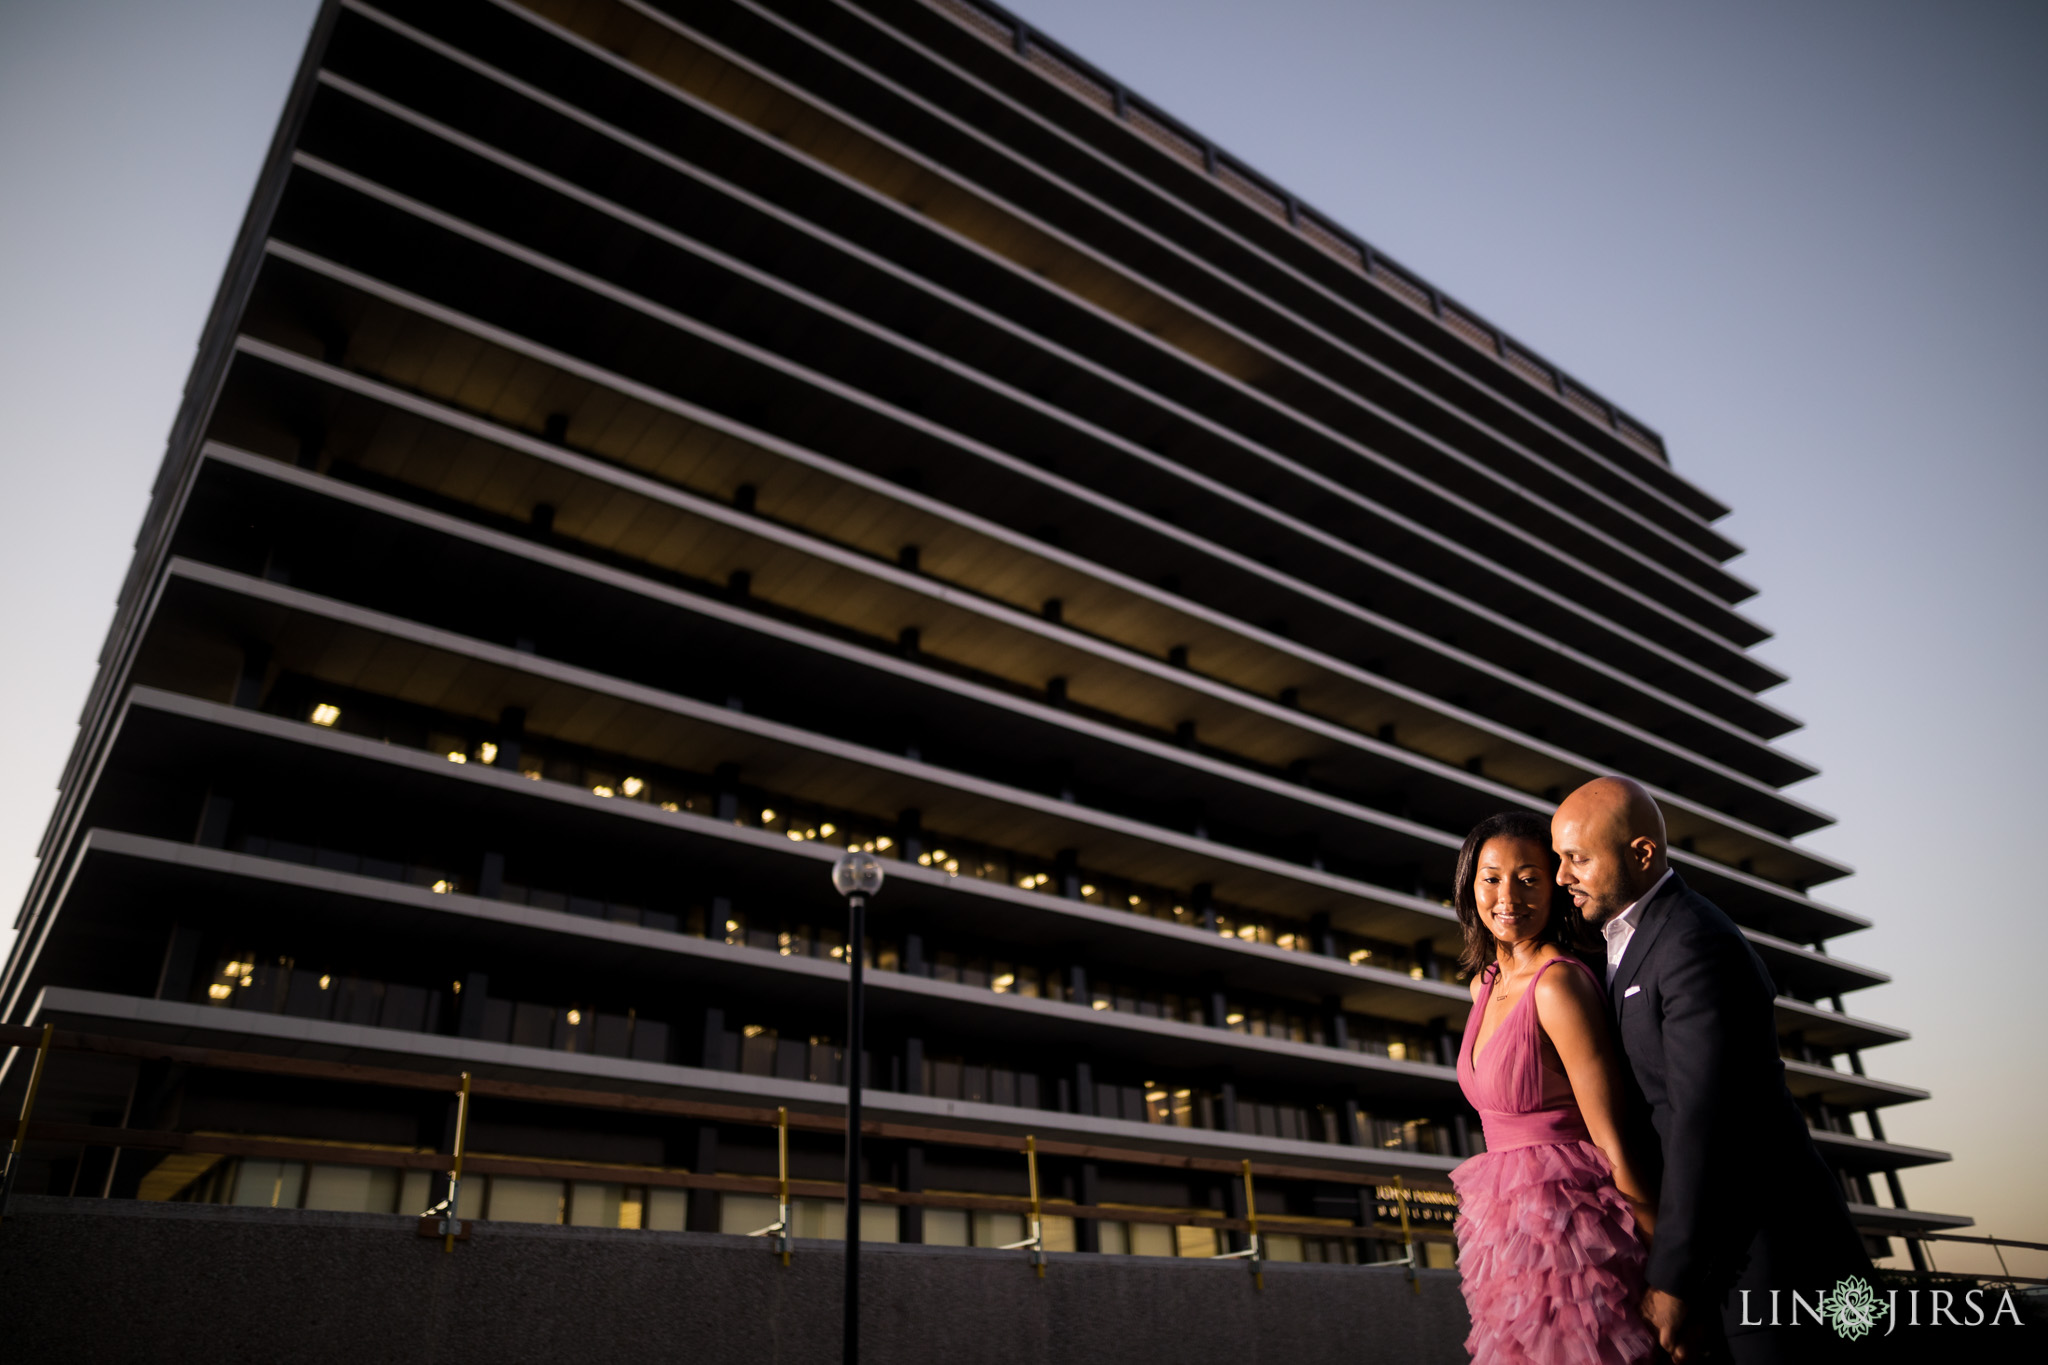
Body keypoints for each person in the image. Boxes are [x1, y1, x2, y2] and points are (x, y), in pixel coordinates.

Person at [1552, 776, 1871, 1364]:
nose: (1561, 877)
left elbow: (1706, 1123)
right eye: (1559, 859)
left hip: (1774, 1264)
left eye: (1577, 859)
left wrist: (1673, 1278)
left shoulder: (1696, 942)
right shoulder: (1629, 940)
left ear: (1642, 854)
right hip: (1725, 1260)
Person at [1449, 809, 1657, 1365]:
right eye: (1491, 878)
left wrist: (1671, 1272)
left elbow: (1613, 1138)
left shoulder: (1558, 985)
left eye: (1528, 878)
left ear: (1555, 888)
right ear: (1470, 888)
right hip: (1504, 1228)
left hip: (1571, 1227)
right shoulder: (1483, 986)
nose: (1507, 896)